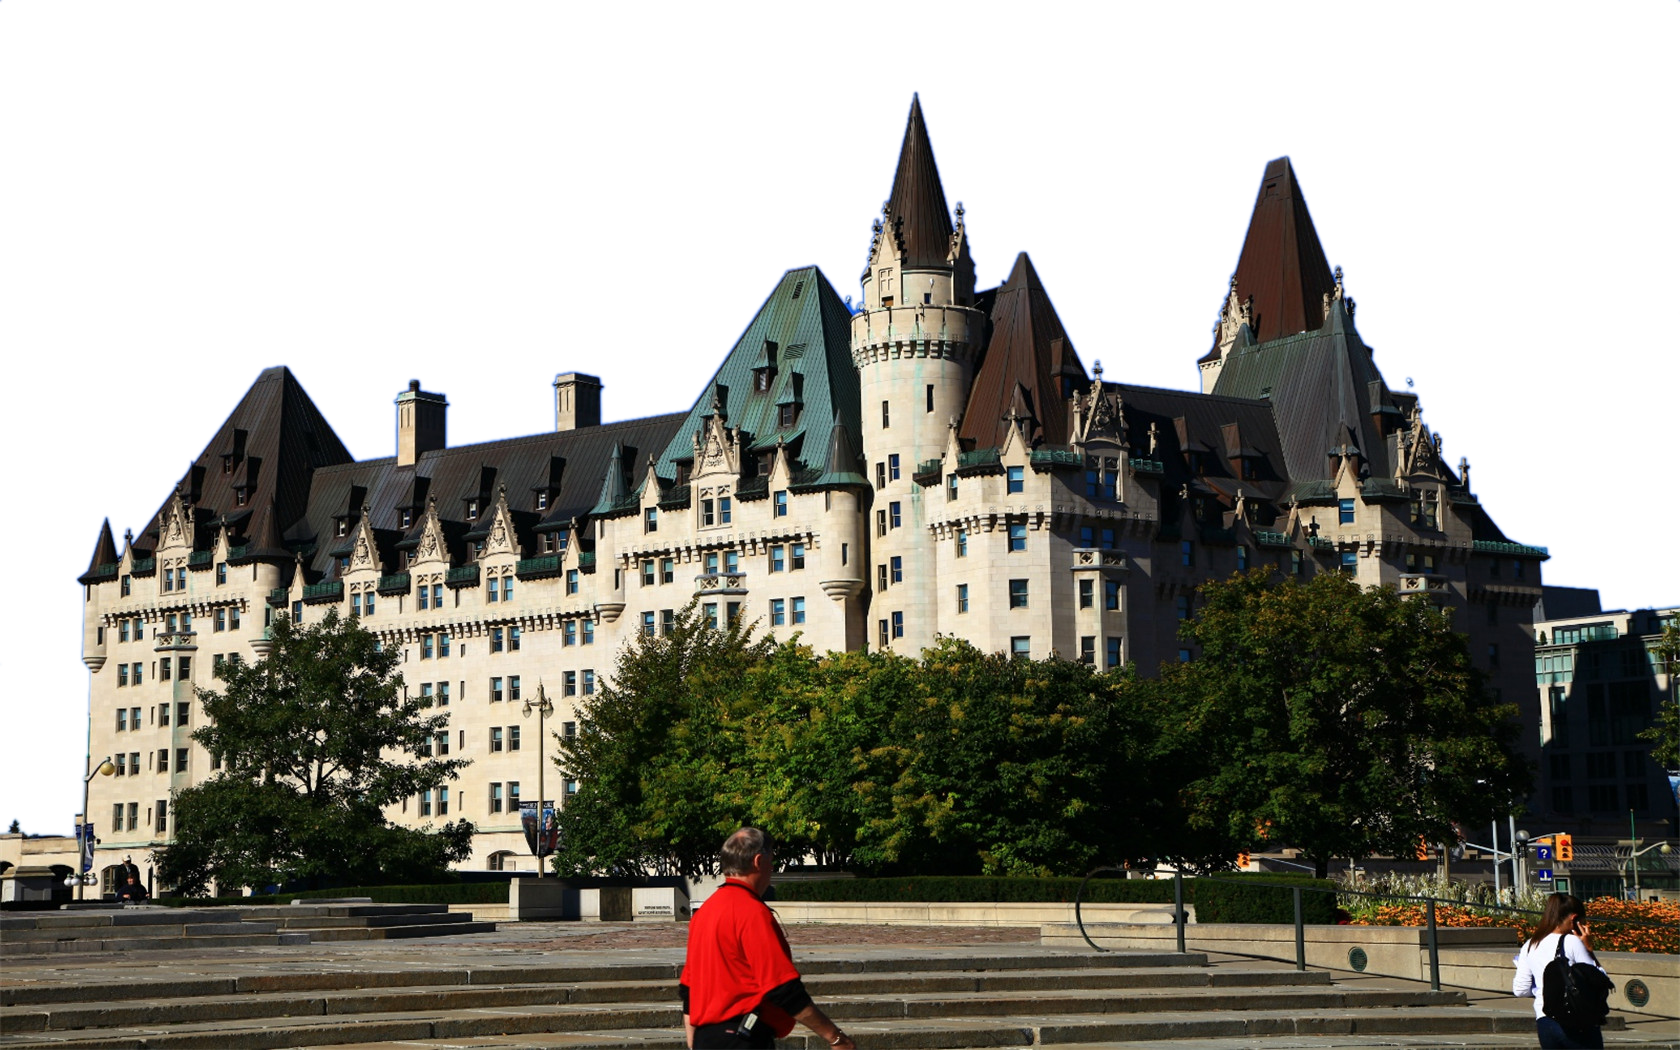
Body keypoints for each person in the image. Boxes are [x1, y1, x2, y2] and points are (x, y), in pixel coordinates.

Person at [679, 828, 855, 1049]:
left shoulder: (705, 912)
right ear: (758, 861)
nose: (772, 868)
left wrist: (693, 1041)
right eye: (771, 860)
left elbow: (689, 989)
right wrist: (836, 1038)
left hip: (708, 1037)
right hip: (743, 1038)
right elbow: (782, 988)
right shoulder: (751, 912)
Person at [1513, 892, 1607, 1049]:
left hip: (1545, 1022)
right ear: (1574, 918)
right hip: (1576, 1022)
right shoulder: (1572, 942)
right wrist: (1589, 949)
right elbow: (1599, 981)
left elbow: (1520, 990)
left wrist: (1544, 990)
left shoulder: (1530, 944)